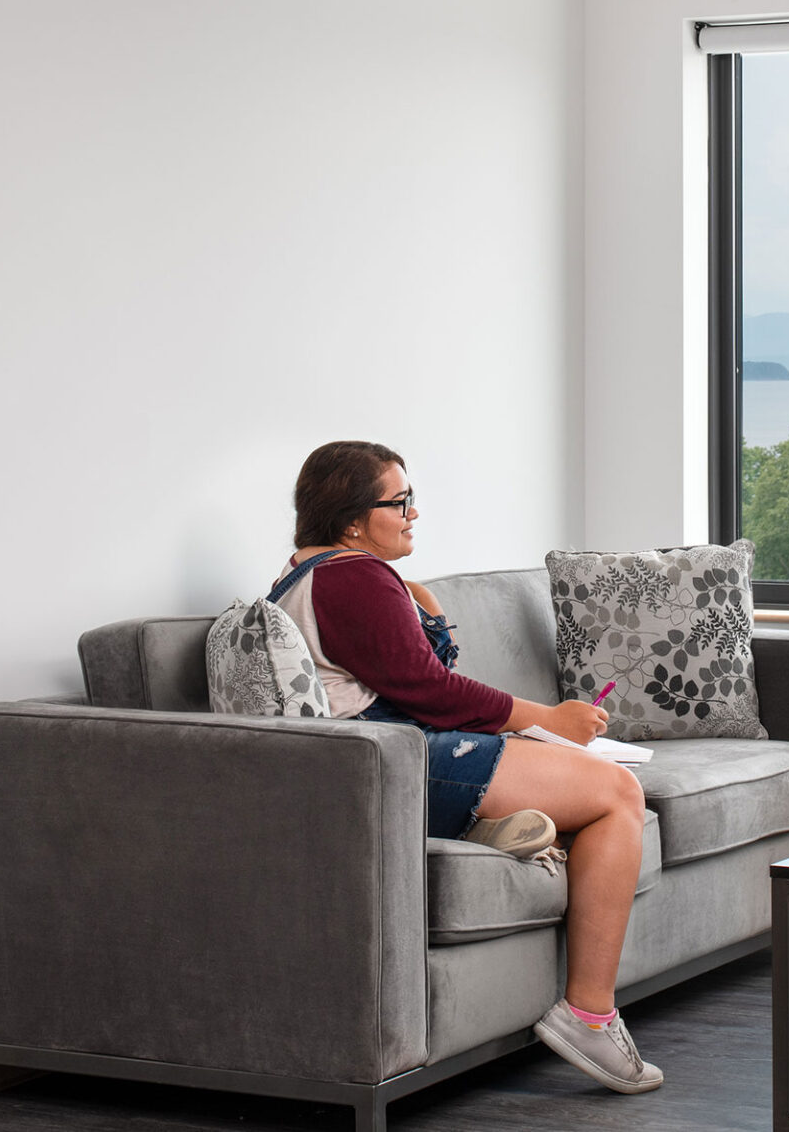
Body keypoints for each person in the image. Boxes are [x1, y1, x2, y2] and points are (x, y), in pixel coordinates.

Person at [271, 440, 661, 1094]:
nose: (413, 513)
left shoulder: (308, 575)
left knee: (579, 795)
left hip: (382, 757)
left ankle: (502, 826)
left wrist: (419, 600)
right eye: (399, 502)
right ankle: (588, 1016)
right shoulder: (354, 579)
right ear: (350, 521)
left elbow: (405, 673)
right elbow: (433, 694)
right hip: (395, 760)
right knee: (618, 792)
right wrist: (550, 718)